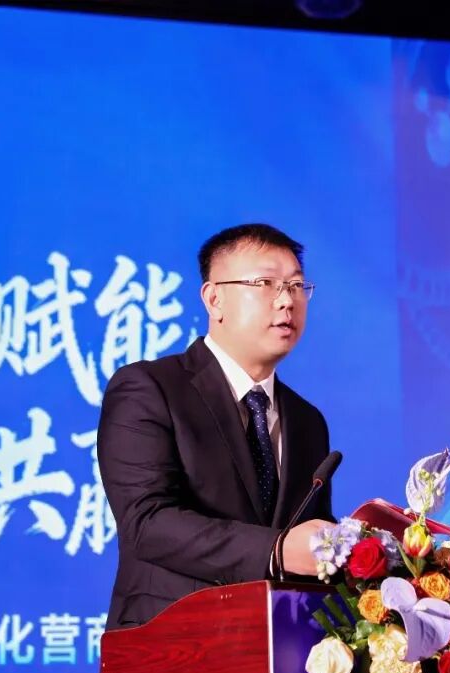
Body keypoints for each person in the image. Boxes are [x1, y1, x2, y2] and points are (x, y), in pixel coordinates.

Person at [97, 223, 336, 631]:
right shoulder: (149, 389)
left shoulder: (307, 420)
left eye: (297, 286)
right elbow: (147, 522)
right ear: (214, 299)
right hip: (172, 644)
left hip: (279, 649)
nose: (286, 301)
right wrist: (276, 550)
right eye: (265, 283)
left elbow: (309, 542)